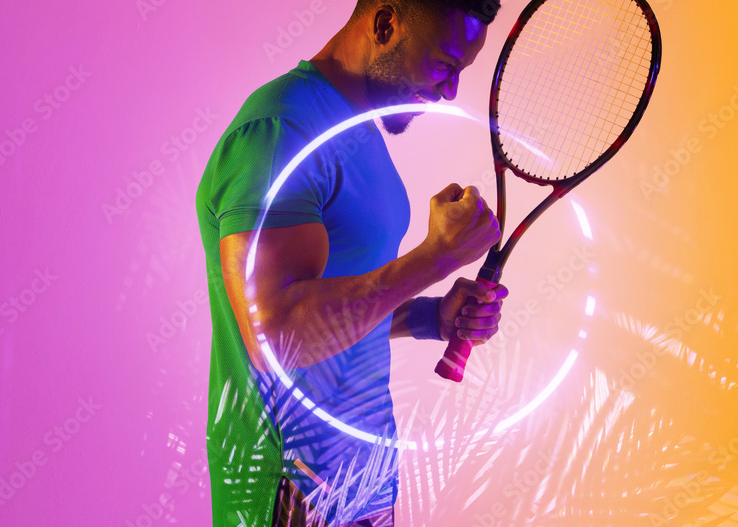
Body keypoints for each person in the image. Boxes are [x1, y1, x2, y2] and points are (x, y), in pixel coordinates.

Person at [195, 1, 506, 525]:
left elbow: (336, 309)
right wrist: (435, 258)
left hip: (360, 483)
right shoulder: (281, 130)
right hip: (293, 489)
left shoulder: (355, 131)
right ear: (386, 25)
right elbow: (280, 332)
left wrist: (433, 317)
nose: (449, 91)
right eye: (443, 64)